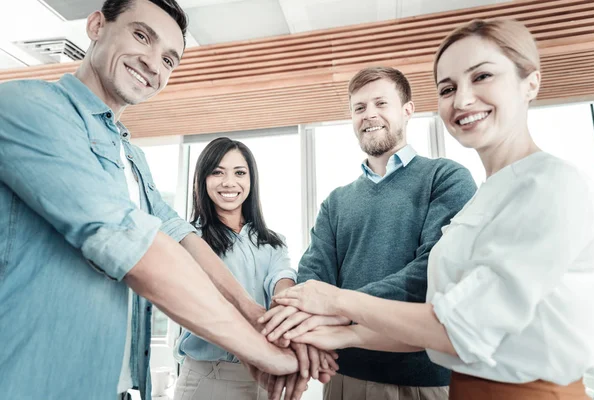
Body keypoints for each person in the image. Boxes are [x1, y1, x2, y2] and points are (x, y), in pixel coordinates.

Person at [268, 19, 594, 400]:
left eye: (483, 76)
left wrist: (333, 303)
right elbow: (444, 310)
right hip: (366, 370)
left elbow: (447, 309)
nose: (462, 100)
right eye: (448, 88)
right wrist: (327, 330)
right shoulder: (489, 194)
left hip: (454, 384)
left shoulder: (537, 183)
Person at [0, 1, 310, 399]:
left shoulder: (131, 156)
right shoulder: (29, 109)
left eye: (168, 59)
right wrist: (259, 350)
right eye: (141, 36)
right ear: (96, 25)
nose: (153, 64)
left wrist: (254, 315)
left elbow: (180, 239)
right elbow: (133, 248)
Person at [260, 66, 477, 400]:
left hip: (422, 380)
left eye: (381, 104)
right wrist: (308, 317)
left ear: (408, 110)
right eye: (359, 108)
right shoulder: (336, 201)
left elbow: (430, 273)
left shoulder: (446, 178)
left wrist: (338, 306)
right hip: (342, 376)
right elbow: (313, 276)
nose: (369, 115)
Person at [173, 137, 338, 400]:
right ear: (203, 180)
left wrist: (286, 318)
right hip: (210, 376)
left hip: (267, 374)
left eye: (240, 173)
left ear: (251, 181)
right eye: (217, 172)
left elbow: (282, 281)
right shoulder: (189, 238)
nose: (229, 182)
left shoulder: (273, 242)